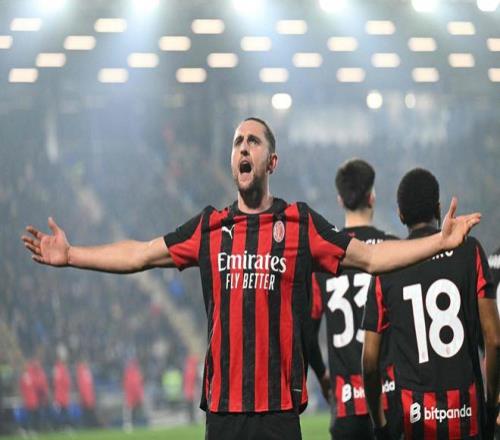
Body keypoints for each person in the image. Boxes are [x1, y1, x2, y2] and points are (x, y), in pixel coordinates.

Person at [21, 118, 481, 440]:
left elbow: (373, 258)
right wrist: (73, 255)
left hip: (278, 414)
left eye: (253, 141)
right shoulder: (209, 227)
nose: (243, 147)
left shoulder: (301, 224)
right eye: (237, 141)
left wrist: (439, 241)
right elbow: (141, 254)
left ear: (271, 162)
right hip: (223, 414)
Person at [362, 168, 500, 439]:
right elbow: (494, 339)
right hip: (467, 417)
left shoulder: (387, 268)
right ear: (438, 208)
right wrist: (491, 402)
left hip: (414, 420)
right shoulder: (470, 251)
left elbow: (369, 362)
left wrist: (379, 424)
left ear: (400, 215)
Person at [309, 159, 397, 439]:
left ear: (340, 200)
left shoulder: (323, 260)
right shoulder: (394, 251)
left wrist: (323, 376)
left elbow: (307, 334)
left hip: (346, 405)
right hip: (389, 400)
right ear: (372, 197)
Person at [76, 360, 98, 428]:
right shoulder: (82, 372)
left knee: (88, 412)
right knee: (87, 412)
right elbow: (82, 386)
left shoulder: (86, 372)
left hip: (89, 396)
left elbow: (89, 386)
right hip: (86, 397)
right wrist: (84, 397)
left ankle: (90, 425)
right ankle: (89, 425)